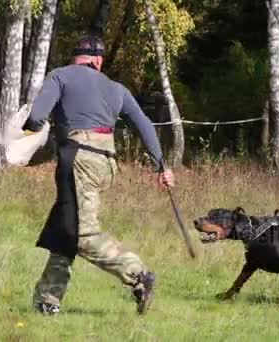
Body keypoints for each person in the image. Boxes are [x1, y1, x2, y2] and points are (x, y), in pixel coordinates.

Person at [23, 35, 175, 315]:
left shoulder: (60, 76)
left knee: (81, 233)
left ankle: (137, 273)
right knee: (65, 228)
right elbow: (144, 125)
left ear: (76, 57)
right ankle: (47, 301)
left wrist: (23, 130)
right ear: (98, 60)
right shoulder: (116, 88)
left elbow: (35, 118)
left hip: (79, 159)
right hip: (105, 162)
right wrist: (162, 166)